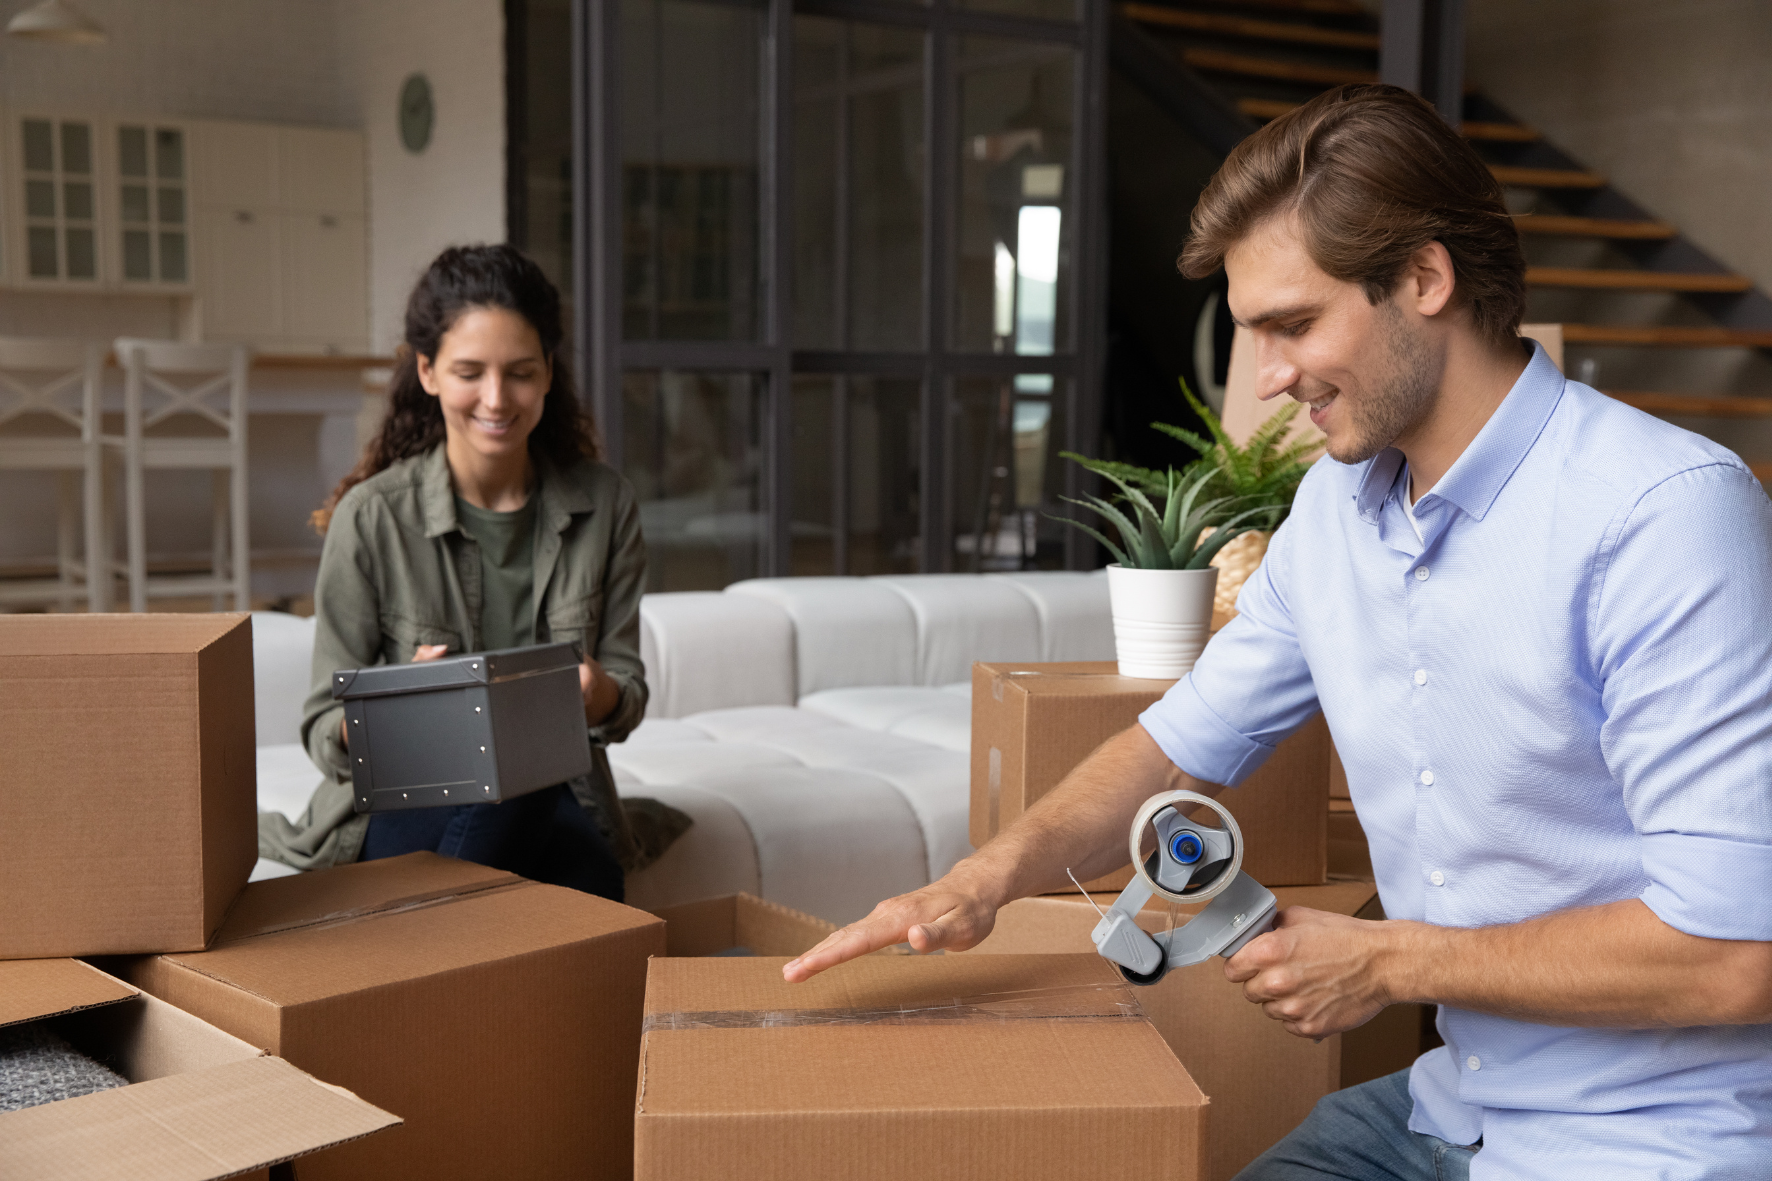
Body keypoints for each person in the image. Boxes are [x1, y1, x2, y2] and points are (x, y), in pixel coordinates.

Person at [782, 85, 1772, 1179]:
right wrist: (981, 879)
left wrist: (1387, 961)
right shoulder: (1333, 516)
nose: (1264, 378)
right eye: (1252, 330)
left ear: (1422, 279)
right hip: (1456, 1103)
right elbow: (1170, 748)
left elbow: (1734, 953)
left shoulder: (1661, 511)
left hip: (1653, 1132)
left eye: (1292, 324)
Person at [258, 244, 647, 900]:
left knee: (565, 831)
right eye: (470, 372)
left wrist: (594, 690)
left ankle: (419, 964)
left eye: (521, 372)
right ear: (429, 371)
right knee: (542, 829)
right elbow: (324, 725)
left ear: (549, 373)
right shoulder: (372, 516)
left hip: (553, 792)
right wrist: (393, 706)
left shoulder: (604, 505)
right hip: (402, 801)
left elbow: (625, 695)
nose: (497, 399)